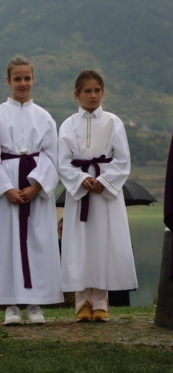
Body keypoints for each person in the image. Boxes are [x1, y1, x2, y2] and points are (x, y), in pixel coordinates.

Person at [0, 57, 63, 325]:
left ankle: (35, 303)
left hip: (35, 187)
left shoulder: (45, 117)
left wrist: (36, 186)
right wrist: (7, 189)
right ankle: (11, 305)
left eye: (27, 78)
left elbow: (53, 156)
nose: (23, 83)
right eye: (17, 78)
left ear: (33, 79)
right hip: (8, 189)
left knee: (37, 243)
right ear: (8, 81)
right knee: (6, 243)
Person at [58, 70, 137, 322]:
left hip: (104, 195)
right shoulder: (68, 124)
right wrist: (82, 179)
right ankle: (82, 302)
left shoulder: (114, 122)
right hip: (80, 194)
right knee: (80, 245)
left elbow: (123, 159)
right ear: (77, 94)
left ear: (103, 92)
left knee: (102, 243)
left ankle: (101, 301)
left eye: (97, 90)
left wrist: (103, 180)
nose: (92, 95)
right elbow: (62, 162)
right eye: (87, 91)